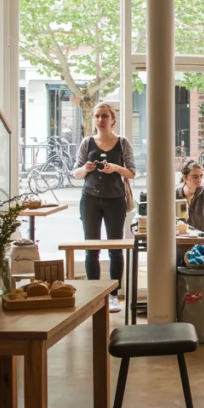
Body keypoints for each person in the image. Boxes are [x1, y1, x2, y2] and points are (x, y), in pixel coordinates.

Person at [73, 102, 136, 313]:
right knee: (91, 248)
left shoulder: (122, 142)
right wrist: (86, 168)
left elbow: (132, 173)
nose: (101, 120)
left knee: (115, 249)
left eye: (104, 116)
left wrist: (116, 168)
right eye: (97, 116)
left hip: (115, 200)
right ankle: (94, 295)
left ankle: (113, 295)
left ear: (112, 119)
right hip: (89, 199)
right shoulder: (87, 142)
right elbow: (76, 174)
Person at [176, 160, 204, 234]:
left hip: (201, 239)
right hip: (182, 239)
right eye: (195, 177)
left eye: (201, 176)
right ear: (185, 177)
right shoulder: (176, 194)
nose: (199, 180)